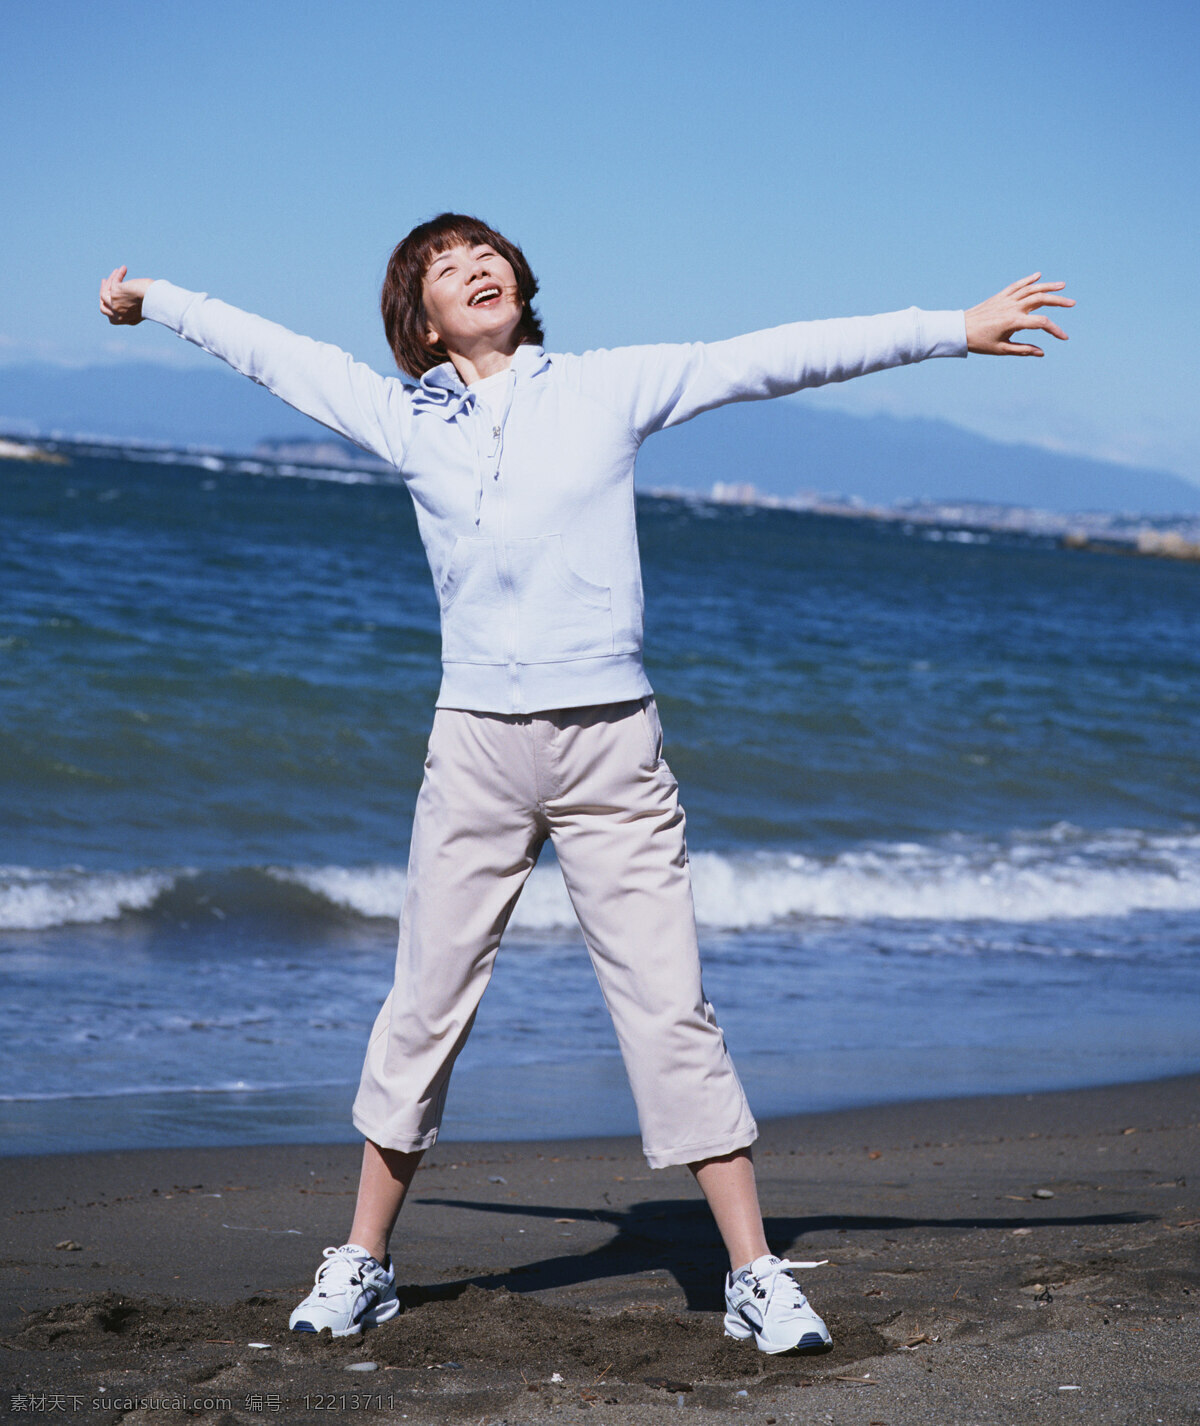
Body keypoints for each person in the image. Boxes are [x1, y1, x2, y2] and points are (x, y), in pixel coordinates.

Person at [99, 218, 1071, 1354]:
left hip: (613, 746)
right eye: (444, 264)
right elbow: (274, 352)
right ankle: (363, 1260)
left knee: (669, 1008)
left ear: (520, 280)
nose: (475, 266)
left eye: (487, 251)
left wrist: (953, 329)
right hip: (474, 749)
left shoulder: (608, 388)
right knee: (424, 1006)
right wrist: (157, 298)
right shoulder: (403, 417)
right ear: (420, 318)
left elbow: (774, 354)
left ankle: (752, 1272)